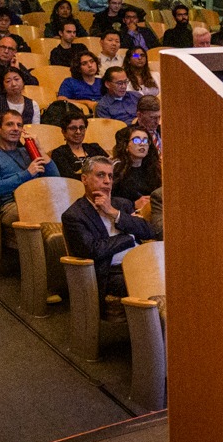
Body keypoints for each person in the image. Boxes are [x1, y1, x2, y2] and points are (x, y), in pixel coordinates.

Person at [61, 156, 156, 318]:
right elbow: (93, 250)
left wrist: (113, 213)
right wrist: (129, 238)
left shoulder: (122, 205)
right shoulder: (74, 215)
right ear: (84, 179)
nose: (107, 181)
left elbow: (149, 231)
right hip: (110, 273)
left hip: (142, 262)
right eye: (100, 175)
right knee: (153, 283)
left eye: (110, 176)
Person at [0, 109, 59, 223]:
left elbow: (55, 178)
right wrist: (27, 174)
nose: (16, 129)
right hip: (12, 204)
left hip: (39, 198)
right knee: (38, 211)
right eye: (9, 124)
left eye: (19, 125)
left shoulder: (27, 152)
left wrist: (39, 149)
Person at [50, 112, 107, 180]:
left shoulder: (94, 147)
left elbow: (109, 167)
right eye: (73, 128)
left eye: (81, 128)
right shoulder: (59, 153)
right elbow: (69, 178)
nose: (78, 132)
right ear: (64, 131)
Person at [111, 125, 160, 204]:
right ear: (126, 145)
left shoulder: (153, 168)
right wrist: (133, 205)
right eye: (136, 140)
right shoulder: (116, 168)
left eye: (145, 140)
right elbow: (109, 199)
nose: (142, 144)